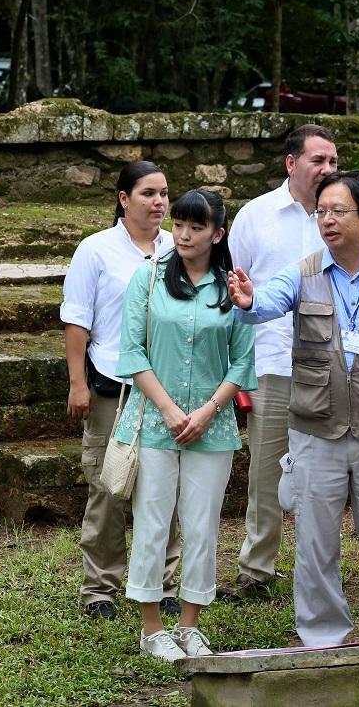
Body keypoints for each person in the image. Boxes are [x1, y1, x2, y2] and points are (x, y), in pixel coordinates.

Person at [228, 170, 359, 646]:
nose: (326, 219)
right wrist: (248, 300)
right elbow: (264, 303)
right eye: (321, 211)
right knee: (315, 542)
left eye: (338, 211)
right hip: (315, 431)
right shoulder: (301, 273)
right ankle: (322, 636)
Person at [223, 124, 359, 600]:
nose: (328, 169)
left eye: (334, 161)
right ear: (291, 163)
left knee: (336, 470)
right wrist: (238, 368)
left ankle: (329, 568)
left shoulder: (350, 215)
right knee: (267, 470)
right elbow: (236, 291)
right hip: (273, 362)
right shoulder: (256, 216)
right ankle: (256, 569)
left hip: (338, 368)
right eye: (318, 160)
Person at [115, 189, 256, 662]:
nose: (183, 234)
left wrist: (209, 410)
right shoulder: (149, 277)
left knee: (202, 526)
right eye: (178, 224)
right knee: (152, 523)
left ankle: (189, 625)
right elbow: (132, 352)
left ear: (217, 234)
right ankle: (151, 627)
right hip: (156, 423)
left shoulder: (231, 287)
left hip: (212, 426)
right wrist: (171, 410)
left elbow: (243, 361)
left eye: (196, 227)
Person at [61, 160, 181, 620]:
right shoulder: (95, 250)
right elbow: (77, 320)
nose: (159, 202)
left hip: (168, 388)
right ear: (123, 198)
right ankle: (99, 588)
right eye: (148, 193)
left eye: (164, 193)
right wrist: (77, 383)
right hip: (113, 386)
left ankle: (163, 582)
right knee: (108, 488)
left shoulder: (177, 247)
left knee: (164, 490)